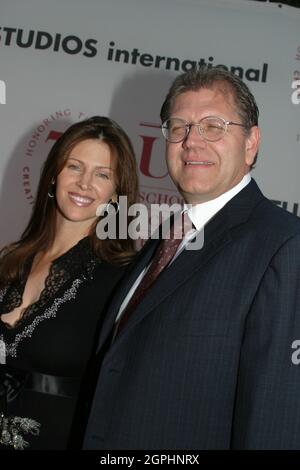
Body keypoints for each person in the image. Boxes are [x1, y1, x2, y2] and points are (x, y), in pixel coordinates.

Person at [83, 67, 300, 450]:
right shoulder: (164, 239)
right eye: (178, 126)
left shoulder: (283, 245)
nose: (191, 142)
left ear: (251, 143)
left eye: (213, 127)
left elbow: (274, 417)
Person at [0, 115, 138, 450]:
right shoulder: (11, 261)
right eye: (74, 167)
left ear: (117, 193)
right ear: (53, 175)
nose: (84, 183)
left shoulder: (123, 279)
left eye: (102, 174)